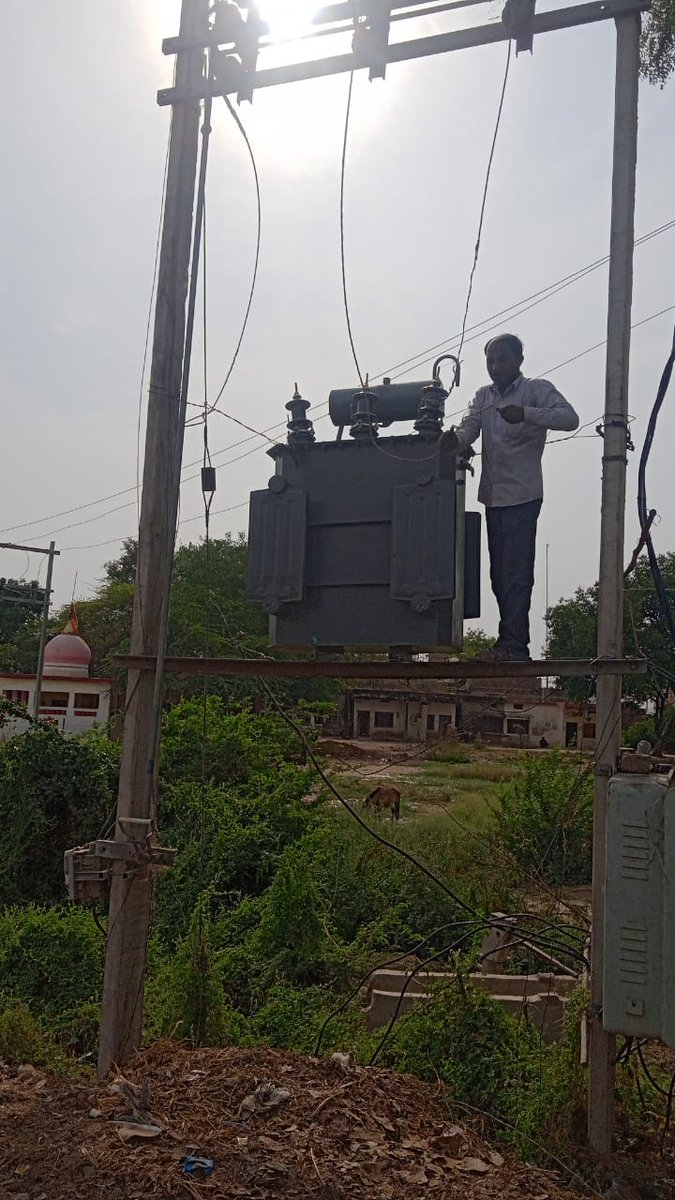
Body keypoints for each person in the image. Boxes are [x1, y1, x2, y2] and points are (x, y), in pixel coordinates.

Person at [446, 334, 579, 661]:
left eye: (501, 359)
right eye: (490, 360)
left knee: (517, 573)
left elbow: (570, 418)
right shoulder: (483, 397)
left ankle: (515, 646)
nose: (495, 366)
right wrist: (450, 441)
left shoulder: (536, 390)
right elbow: (468, 430)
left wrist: (527, 414)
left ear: (519, 360)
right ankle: (508, 643)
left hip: (523, 495)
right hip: (493, 496)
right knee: (499, 575)